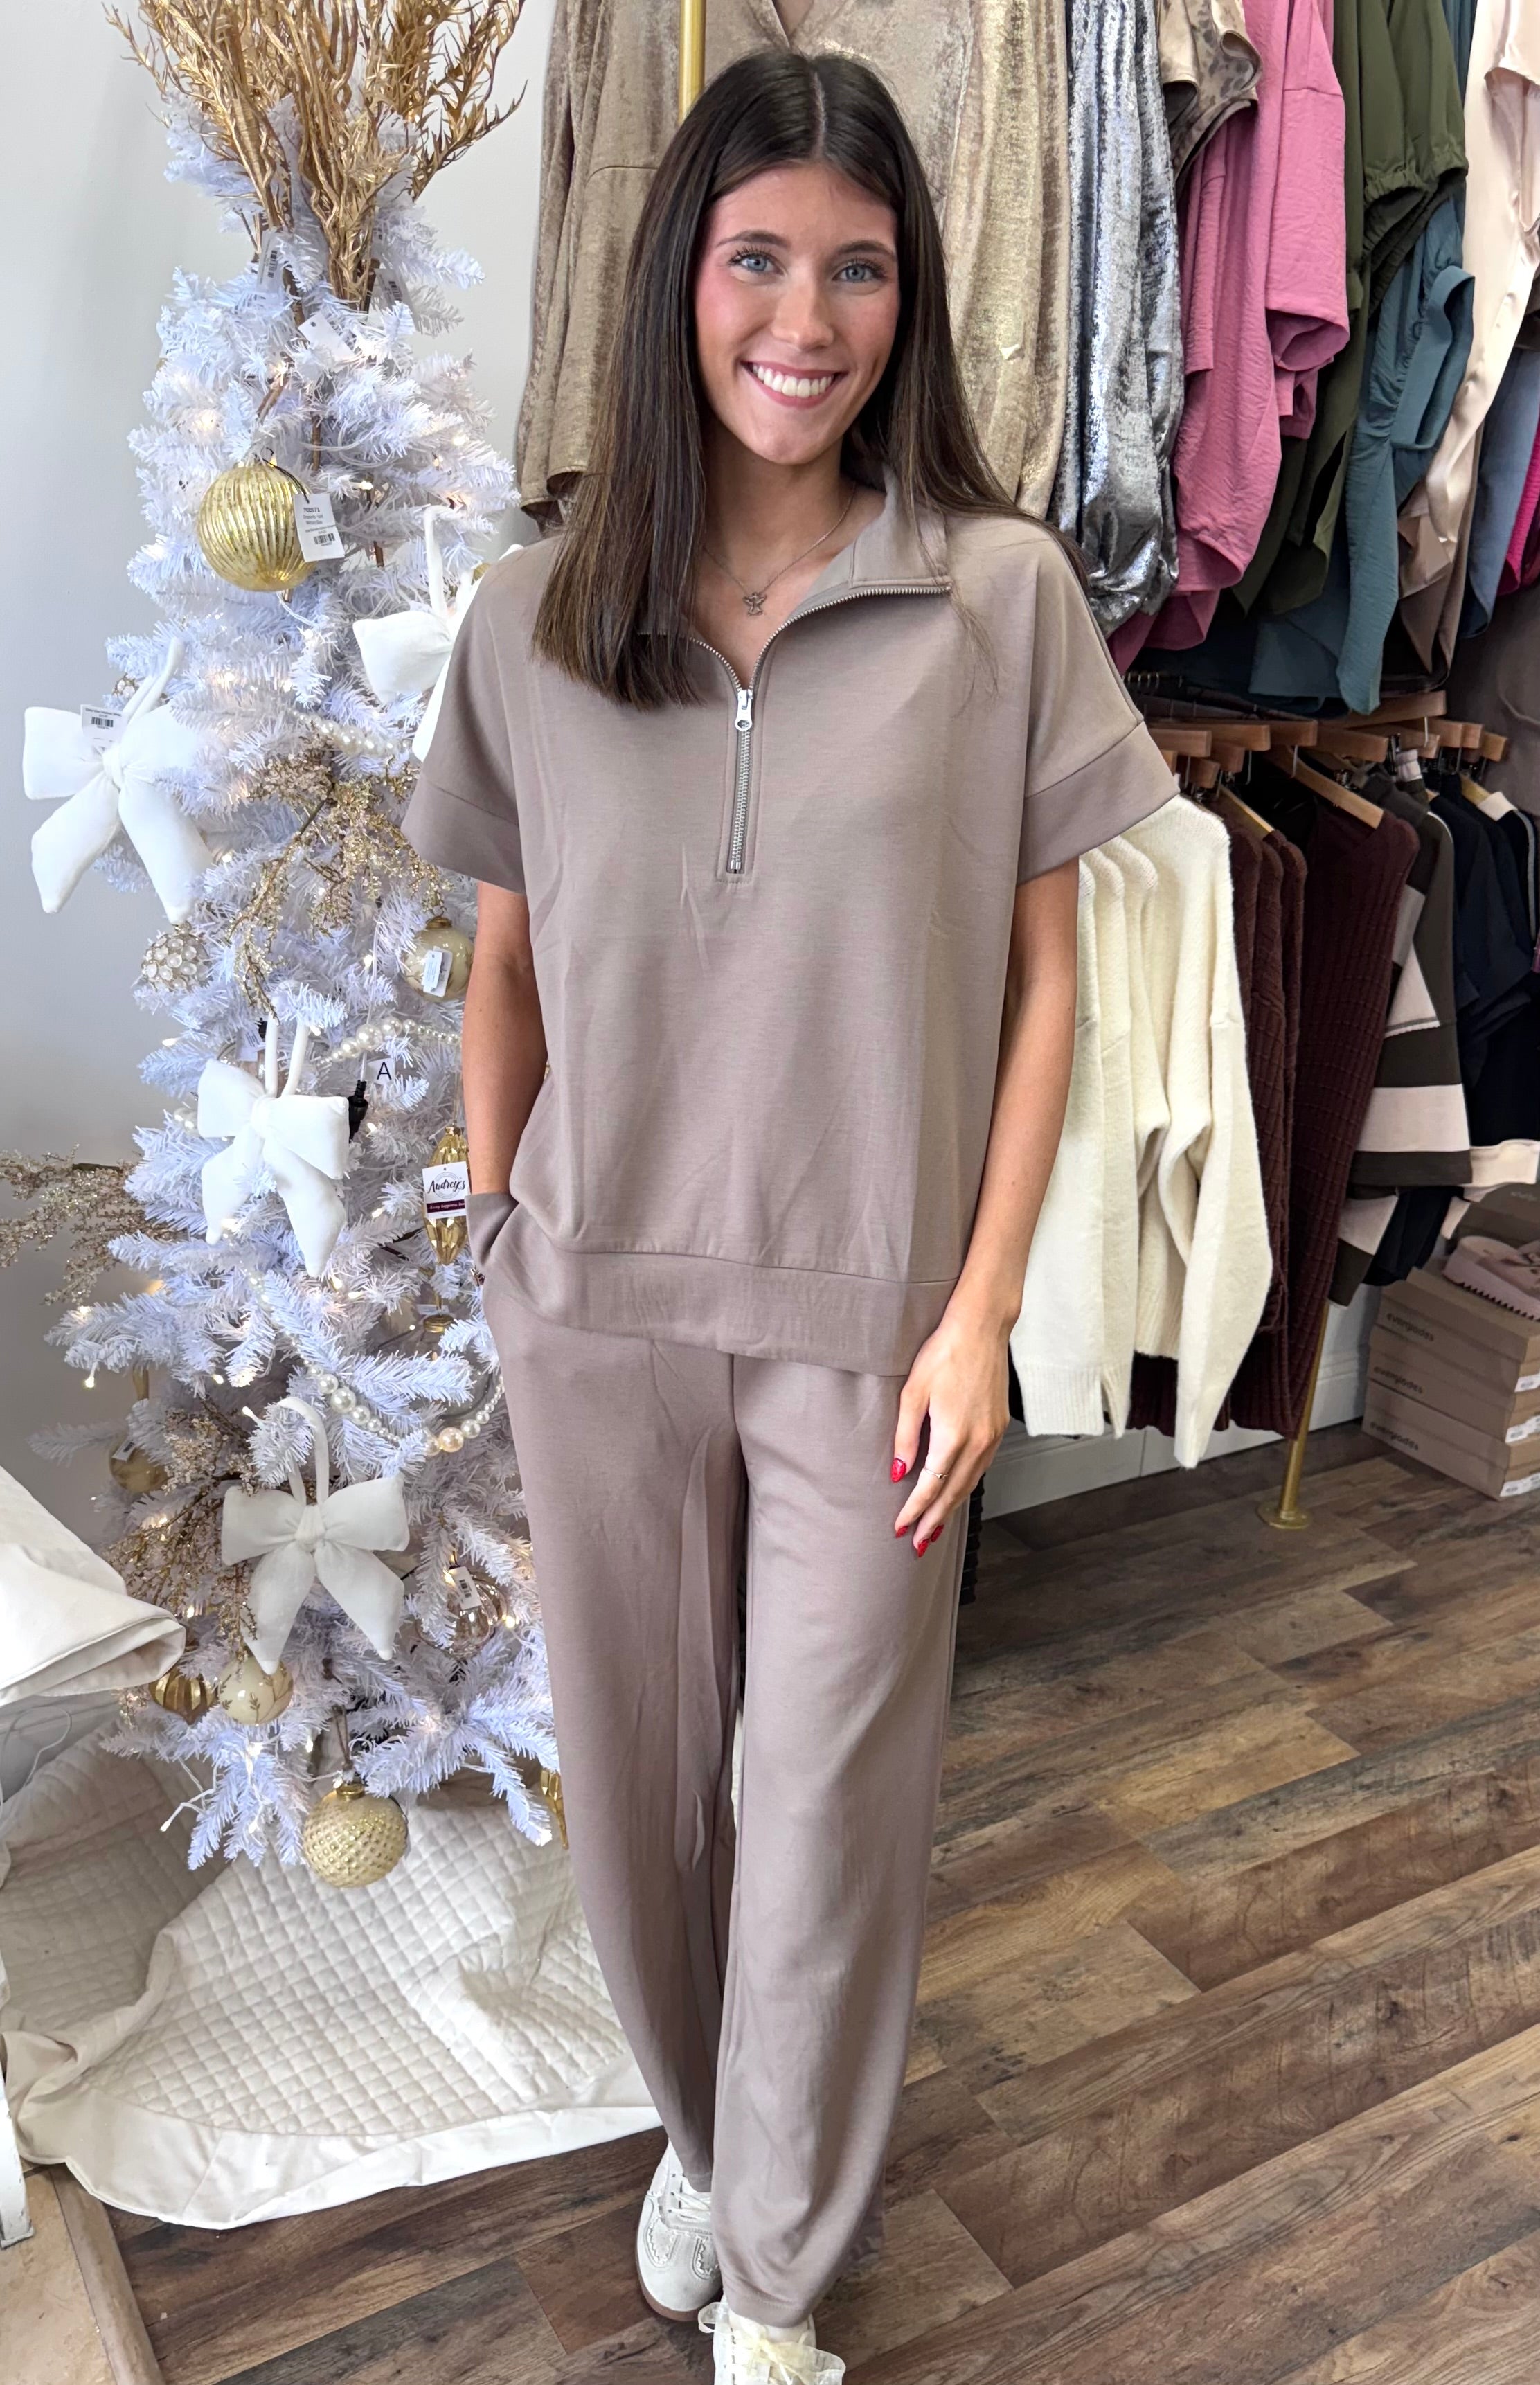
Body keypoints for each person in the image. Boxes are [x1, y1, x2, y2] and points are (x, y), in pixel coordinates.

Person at [403, 48, 1172, 2383]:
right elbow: (506, 964)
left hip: (873, 1325)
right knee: (643, 1804)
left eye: (858, 269)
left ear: (909, 300)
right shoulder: (536, 615)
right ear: (681, 278)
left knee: (827, 1804)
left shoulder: (998, 599)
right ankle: (703, 2132)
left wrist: (980, 1308)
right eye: (760, 259)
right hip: (598, 1306)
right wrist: (493, 1236)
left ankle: (777, 2287)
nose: (805, 320)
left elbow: (1047, 983)